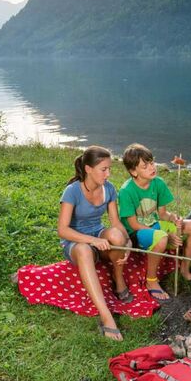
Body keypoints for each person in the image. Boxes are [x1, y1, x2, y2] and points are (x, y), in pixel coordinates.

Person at [57, 146, 132, 341]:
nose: (108, 174)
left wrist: (128, 241)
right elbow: (63, 230)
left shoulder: (109, 189)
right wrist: (94, 241)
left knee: (116, 235)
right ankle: (106, 316)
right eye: (104, 169)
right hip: (76, 242)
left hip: (97, 234)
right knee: (84, 250)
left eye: (109, 169)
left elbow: (115, 223)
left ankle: (118, 279)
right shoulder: (72, 191)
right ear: (89, 169)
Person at [118, 143, 191, 302]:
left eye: (151, 162)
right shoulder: (126, 191)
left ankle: (185, 270)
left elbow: (163, 214)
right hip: (136, 234)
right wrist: (166, 234)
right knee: (161, 237)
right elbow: (133, 225)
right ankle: (151, 281)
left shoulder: (158, 183)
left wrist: (174, 219)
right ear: (133, 171)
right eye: (145, 166)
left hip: (155, 225)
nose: (152, 167)